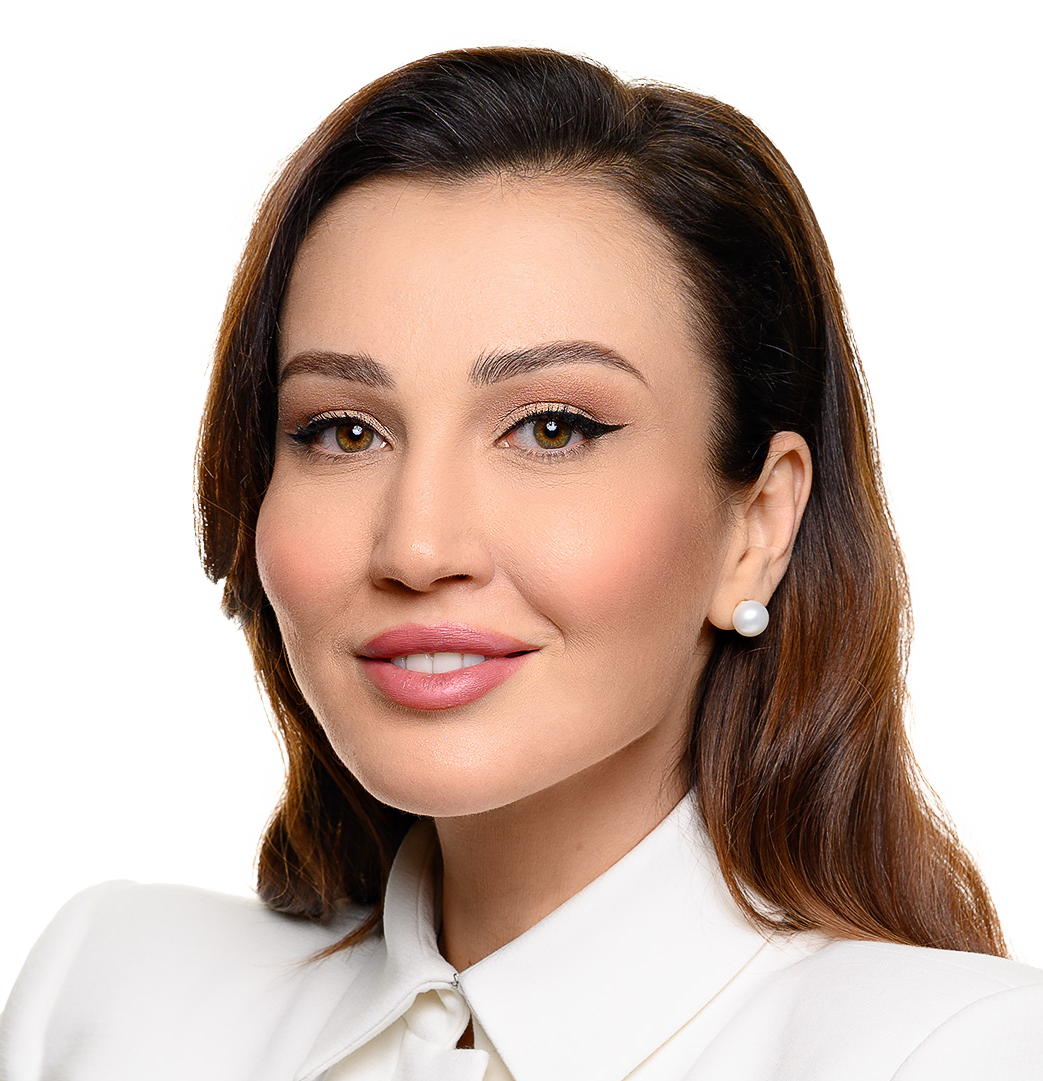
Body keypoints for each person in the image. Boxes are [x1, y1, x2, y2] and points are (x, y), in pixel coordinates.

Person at [2, 41, 1041, 1080]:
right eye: (343, 431)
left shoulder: (954, 1052)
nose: (417, 548)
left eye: (551, 429)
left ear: (757, 525)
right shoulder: (112, 999)